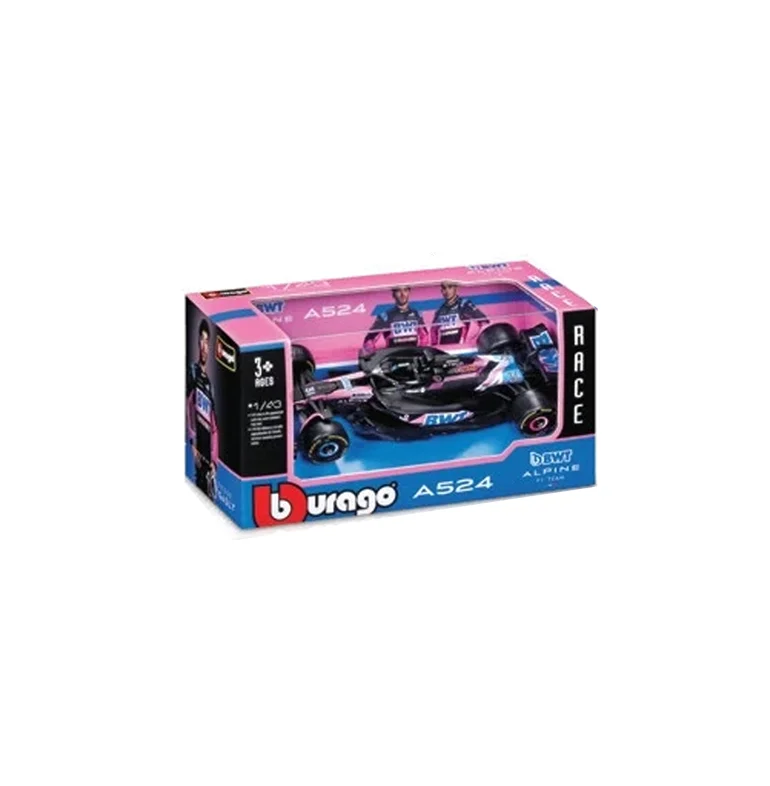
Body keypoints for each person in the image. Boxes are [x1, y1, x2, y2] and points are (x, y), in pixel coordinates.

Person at [187, 319, 219, 498]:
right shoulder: (192, 371)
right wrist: (192, 444)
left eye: (208, 342)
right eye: (202, 340)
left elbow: (214, 427)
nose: (204, 347)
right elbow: (187, 407)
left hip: (208, 458)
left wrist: (214, 460)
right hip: (196, 452)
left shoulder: (210, 383)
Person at [363, 286, 428, 352]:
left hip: (412, 355)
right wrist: (377, 355)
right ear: (393, 294)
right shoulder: (386, 316)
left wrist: (420, 352)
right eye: (398, 291)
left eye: (405, 290)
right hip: (393, 356)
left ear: (409, 292)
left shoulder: (417, 314)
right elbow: (369, 340)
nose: (402, 294)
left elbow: (425, 337)